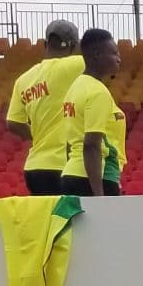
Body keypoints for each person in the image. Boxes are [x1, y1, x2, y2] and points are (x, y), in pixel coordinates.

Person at [7, 20, 86, 196]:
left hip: (34, 168)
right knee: (68, 222)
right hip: (63, 166)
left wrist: (38, 136)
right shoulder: (73, 65)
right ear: (74, 46)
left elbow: (13, 123)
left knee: (46, 221)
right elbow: (103, 58)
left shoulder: (24, 79)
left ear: (44, 44)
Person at [58, 29, 125, 198]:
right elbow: (91, 145)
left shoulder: (74, 88)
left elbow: (70, 144)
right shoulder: (97, 92)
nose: (119, 58)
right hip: (96, 178)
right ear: (97, 54)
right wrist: (99, 195)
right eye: (114, 53)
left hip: (72, 174)